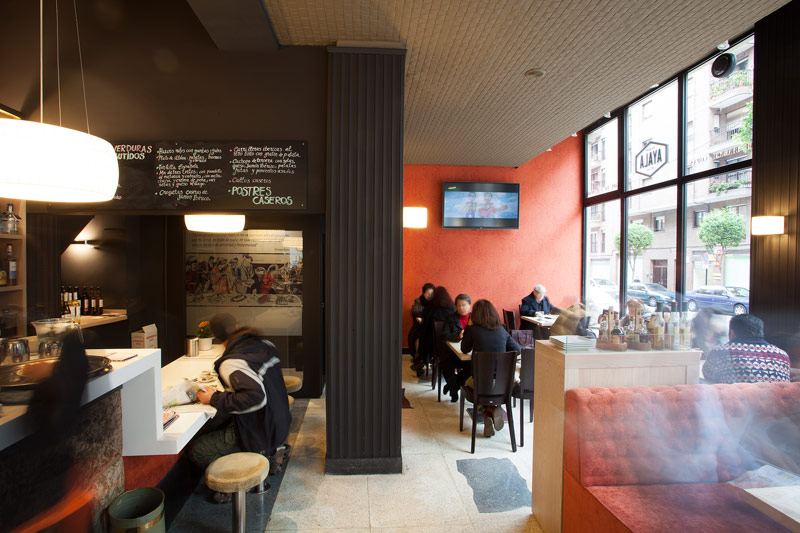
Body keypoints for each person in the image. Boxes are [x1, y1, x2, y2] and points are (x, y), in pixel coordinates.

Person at [190, 313, 291, 501]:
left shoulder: (232, 362)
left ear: (215, 336)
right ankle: (269, 452)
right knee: (220, 421)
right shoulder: (264, 344)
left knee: (198, 449)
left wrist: (214, 398)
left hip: (262, 427)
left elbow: (255, 398)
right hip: (280, 419)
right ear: (236, 326)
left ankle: (238, 479)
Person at [461, 299, 521, 437]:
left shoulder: (473, 330)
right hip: (503, 386)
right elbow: (517, 350)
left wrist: (469, 326)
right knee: (490, 389)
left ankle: (486, 412)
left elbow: (464, 349)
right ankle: (493, 409)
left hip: (481, 385)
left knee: (468, 383)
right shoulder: (501, 330)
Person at [703, 314, 791, 384]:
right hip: (774, 401)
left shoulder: (720, 351)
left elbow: (708, 377)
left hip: (734, 401)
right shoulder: (782, 355)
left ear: (732, 333)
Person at [417, 286, 456, 377]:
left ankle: (423, 362)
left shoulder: (429, 309)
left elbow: (424, 328)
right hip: (450, 344)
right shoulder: (453, 309)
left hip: (432, 345)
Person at [439, 293, 472, 402]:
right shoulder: (451, 318)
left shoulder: (475, 319)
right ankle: (454, 392)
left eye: (464, 305)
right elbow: (445, 335)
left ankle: (453, 386)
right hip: (451, 352)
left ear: (469, 305)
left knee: (472, 368)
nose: (461, 308)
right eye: (459, 305)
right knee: (447, 365)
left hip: (468, 353)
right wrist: (458, 335)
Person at [409, 283, 435, 372]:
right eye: (428, 293)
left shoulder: (435, 302)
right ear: (423, 293)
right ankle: (418, 357)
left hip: (430, 327)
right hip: (419, 326)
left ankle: (429, 358)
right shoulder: (418, 301)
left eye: (432, 294)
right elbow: (415, 311)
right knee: (420, 335)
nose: (430, 296)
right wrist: (427, 313)